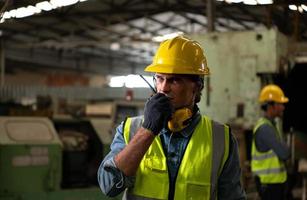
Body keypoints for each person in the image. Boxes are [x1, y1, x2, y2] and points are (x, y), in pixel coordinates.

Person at [97, 36, 246, 200]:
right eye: (159, 78)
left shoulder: (221, 139)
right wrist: (147, 131)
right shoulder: (130, 129)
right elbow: (108, 185)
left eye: (174, 80)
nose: (163, 88)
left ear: (197, 86)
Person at [251, 84, 291, 200]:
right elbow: (284, 153)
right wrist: (285, 147)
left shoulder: (271, 125)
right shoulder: (265, 129)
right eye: (280, 104)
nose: (283, 107)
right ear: (270, 106)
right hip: (269, 185)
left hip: (273, 184)